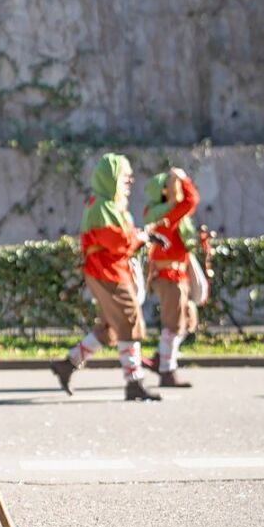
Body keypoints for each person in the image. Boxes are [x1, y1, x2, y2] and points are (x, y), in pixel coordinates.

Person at [51, 153, 164, 401]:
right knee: (129, 319)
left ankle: (67, 365)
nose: (130, 181)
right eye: (125, 176)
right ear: (111, 178)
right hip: (109, 271)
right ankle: (134, 382)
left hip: (109, 270)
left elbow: (121, 238)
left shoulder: (107, 205)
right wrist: (142, 237)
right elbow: (117, 241)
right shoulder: (103, 206)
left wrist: (142, 236)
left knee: (110, 329)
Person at [143, 168, 203, 387]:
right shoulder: (167, 212)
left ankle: (160, 358)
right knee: (173, 325)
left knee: (186, 320)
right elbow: (191, 200)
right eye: (170, 182)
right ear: (163, 190)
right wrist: (184, 178)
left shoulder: (165, 211)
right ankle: (167, 371)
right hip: (169, 276)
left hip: (176, 274)